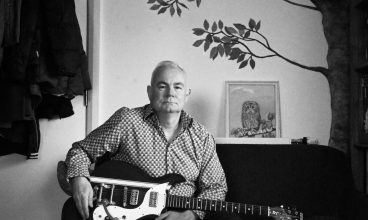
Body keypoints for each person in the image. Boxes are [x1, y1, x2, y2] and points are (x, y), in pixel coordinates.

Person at [62, 61, 228, 220]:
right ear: (149, 92)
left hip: (178, 213)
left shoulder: (202, 137)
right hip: (123, 212)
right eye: (162, 86)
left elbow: (216, 187)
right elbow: (80, 151)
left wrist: (191, 214)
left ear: (187, 94)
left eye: (178, 87)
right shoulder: (127, 120)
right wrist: (79, 178)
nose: (170, 93)